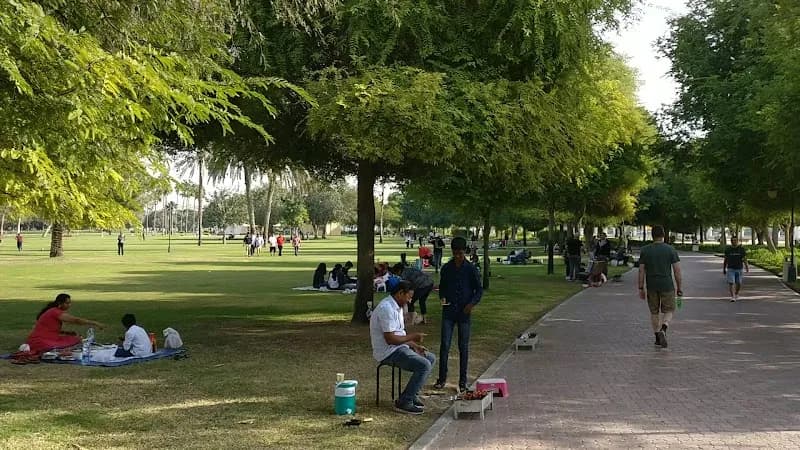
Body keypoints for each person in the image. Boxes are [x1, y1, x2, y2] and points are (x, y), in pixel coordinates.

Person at [369, 280, 435, 415]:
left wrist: (415, 346)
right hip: (388, 352)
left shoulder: (397, 307)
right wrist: (412, 337)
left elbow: (399, 335)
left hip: (398, 347)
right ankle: (404, 401)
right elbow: (391, 339)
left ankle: (412, 394)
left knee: (430, 358)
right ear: (400, 293)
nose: (410, 301)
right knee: (424, 365)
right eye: (409, 297)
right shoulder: (386, 308)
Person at [434, 237, 483, 392]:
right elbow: (442, 287)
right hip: (448, 311)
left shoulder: (471, 269)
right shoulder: (447, 268)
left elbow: (479, 290)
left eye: (460, 254)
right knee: (445, 346)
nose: (457, 256)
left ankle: (463, 381)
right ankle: (442, 379)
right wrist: (442, 297)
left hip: (464, 312)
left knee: (463, 347)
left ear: (465, 252)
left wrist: (471, 304)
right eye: (455, 253)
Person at [638, 225, 683, 349]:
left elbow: (641, 271)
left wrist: (641, 287)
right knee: (669, 310)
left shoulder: (645, 250)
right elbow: (677, 271)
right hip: (667, 284)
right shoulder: (670, 250)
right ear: (663, 235)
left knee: (654, 312)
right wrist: (679, 287)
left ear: (652, 235)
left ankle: (657, 337)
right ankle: (664, 327)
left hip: (651, 285)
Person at [26, 293, 106, 354]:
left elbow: (50, 329)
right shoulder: (55, 312)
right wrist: (95, 323)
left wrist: (66, 333)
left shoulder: (53, 311)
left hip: (49, 338)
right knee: (71, 343)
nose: (69, 305)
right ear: (60, 303)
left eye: (70, 303)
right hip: (40, 341)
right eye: (67, 303)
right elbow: (76, 320)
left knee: (76, 339)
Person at [723, 236, 749, 302]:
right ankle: (732, 296)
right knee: (731, 283)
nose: (734, 242)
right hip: (730, 268)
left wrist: (746, 267)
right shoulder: (728, 249)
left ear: (737, 241)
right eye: (732, 240)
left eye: (735, 240)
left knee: (739, 283)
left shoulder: (741, 249)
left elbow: (744, 259)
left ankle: (736, 293)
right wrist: (724, 268)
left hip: (739, 268)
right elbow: (725, 259)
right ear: (731, 241)